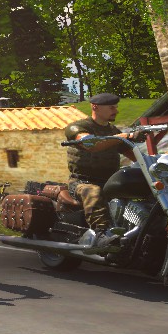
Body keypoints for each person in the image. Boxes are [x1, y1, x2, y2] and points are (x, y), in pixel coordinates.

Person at [59, 91, 127, 232]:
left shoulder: (114, 131)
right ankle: (101, 234)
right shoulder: (77, 127)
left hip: (110, 182)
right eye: (111, 108)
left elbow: (134, 154)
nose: (116, 111)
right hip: (82, 182)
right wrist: (123, 137)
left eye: (116, 107)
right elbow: (91, 144)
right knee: (93, 192)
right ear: (95, 107)